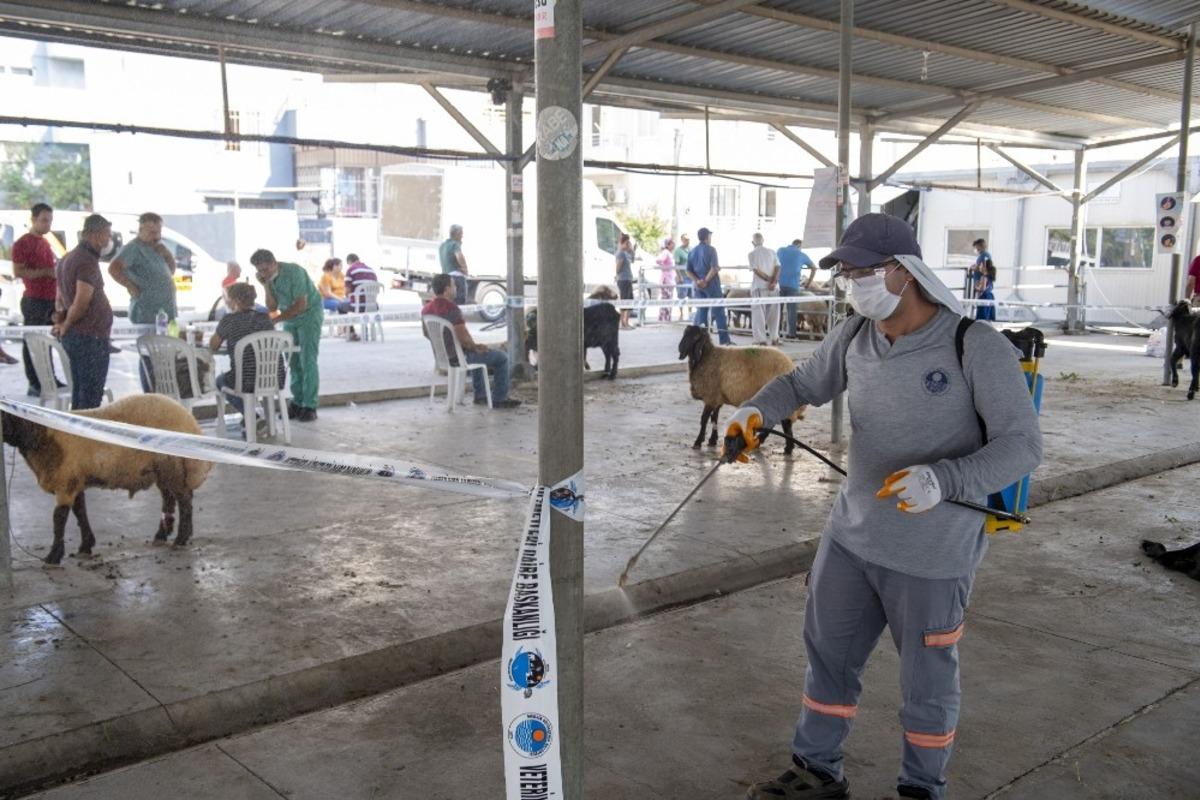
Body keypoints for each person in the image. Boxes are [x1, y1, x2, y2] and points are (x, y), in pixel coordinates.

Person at [727, 213, 1042, 800]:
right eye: (846, 274)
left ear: (904, 271)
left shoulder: (973, 346)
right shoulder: (853, 336)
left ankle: (922, 788)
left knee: (925, 682)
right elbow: (800, 385)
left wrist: (945, 479)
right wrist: (756, 412)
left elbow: (1024, 446)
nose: (852, 284)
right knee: (828, 659)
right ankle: (816, 771)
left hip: (932, 552)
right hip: (851, 537)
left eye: (862, 272)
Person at [421, 273, 520, 409]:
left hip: (442, 358)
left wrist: (444, 344)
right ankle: (499, 398)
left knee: (477, 355)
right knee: (502, 358)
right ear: (447, 289)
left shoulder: (426, 309)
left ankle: (480, 396)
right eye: (453, 285)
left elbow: (426, 333)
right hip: (458, 358)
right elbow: (464, 338)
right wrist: (475, 347)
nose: (456, 288)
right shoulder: (452, 309)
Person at [250, 249, 323, 422]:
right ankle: (297, 402)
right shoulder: (268, 278)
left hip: (308, 315)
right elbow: (272, 307)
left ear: (274, 263)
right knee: (292, 360)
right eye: (259, 271)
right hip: (290, 318)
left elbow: (300, 304)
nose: (263, 273)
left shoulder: (294, 272)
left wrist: (276, 321)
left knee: (308, 360)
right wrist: (266, 285)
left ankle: (310, 405)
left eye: (266, 270)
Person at [109, 212, 179, 391]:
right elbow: (114, 268)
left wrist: (167, 255)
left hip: (166, 312)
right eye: (151, 232)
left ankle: (164, 390)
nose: (156, 236)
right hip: (148, 311)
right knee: (149, 355)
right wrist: (130, 286)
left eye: (158, 231)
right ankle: (150, 392)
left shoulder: (157, 248)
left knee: (166, 354)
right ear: (141, 229)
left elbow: (169, 272)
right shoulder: (134, 248)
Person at [52, 214, 114, 410]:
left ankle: (77, 434)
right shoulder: (86, 261)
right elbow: (81, 302)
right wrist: (66, 324)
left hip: (80, 337)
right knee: (90, 398)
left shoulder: (67, 258)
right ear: (96, 235)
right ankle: (84, 438)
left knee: (80, 393)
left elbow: (59, 299)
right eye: (107, 235)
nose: (108, 241)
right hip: (90, 339)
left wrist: (61, 320)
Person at [209, 282, 283, 433]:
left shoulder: (229, 320)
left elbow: (213, 346)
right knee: (249, 375)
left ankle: (252, 417)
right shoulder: (265, 318)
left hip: (245, 380)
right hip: (273, 377)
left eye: (228, 299)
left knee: (220, 381)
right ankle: (260, 423)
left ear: (235, 300)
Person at [13, 202, 60, 388]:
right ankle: (35, 382)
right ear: (33, 219)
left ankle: (49, 379)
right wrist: (46, 272)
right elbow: (19, 272)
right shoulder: (23, 243)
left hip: (50, 299)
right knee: (33, 343)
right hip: (34, 299)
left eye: (50, 221)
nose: (48, 225)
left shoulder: (45, 242)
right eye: (44, 220)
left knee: (47, 343)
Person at [687, 227, 730, 345]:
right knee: (719, 313)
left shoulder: (692, 251)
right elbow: (714, 268)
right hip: (712, 286)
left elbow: (688, 271)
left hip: (698, 287)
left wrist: (698, 281)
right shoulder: (711, 250)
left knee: (702, 312)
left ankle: (702, 342)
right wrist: (705, 280)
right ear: (707, 237)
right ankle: (725, 341)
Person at [777, 238, 817, 339]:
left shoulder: (780, 250)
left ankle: (775, 333)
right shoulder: (801, 254)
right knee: (791, 310)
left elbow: (774, 264)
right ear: (799, 246)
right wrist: (808, 282)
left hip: (779, 284)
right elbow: (814, 267)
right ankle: (791, 334)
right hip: (793, 285)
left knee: (778, 310)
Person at [749, 232, 781, 345]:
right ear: (763, 241)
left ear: (753, 243)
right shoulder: (772, 252)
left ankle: (760, 340)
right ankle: (775, 337)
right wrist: (774, 281)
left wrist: (768, 280)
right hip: (774, 288)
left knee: (758, 313)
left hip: (759, 287)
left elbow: (756, 270)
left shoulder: (752, 254)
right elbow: (778, 266)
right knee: (774, 313)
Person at [439, 224, 470, 305]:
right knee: (459, 303)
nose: (462, 236)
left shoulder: (442, 245)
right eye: (461, 234)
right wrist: (465, 268)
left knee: (448, 303)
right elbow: (459, 256)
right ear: (457, 233)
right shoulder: (454, 244)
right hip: (457, 278)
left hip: (446, 277)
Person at [971, 238, 996, 322]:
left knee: (983, 314)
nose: (976, 249)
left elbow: (984, 267)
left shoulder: (985, 256)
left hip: (983, 292)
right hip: (984, 290)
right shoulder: (983, 256)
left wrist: (975, 268)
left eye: (976, 247)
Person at [615, 233, 636, 329]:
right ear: (622, 243)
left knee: (630, 301)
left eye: (629, 243)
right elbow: (618, 268)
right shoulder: (620, 253)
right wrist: (617, 275)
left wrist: (632, 250)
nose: (628, 245)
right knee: (624, 302)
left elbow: (632, 260)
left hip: (628, 279)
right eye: (627, 243)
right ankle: (622, 323)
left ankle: (626, 322)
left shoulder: (626, 253)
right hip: (623, 279)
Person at [656, 237, 676, 322]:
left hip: (670, 279)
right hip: (666, 279)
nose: (674, 245)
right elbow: (658, 260)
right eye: (672, 244)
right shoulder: (666, 252)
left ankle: (667, 317)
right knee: (666, 299)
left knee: (669, 299)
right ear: (668, 245)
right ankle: (664, 317)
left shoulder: (669, 253)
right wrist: (664, 268)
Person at [674, 233, 693, 318]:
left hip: (691, 277)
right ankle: (681, 313)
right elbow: (676, 265)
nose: (687, 241)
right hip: (683, 276)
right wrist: (679, 276)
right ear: (682, 240)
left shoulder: (691, 249)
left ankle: (690, 312)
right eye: (685, 239)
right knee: (681, 296)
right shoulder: (678, 251)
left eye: (688, 239)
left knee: (691, 296)